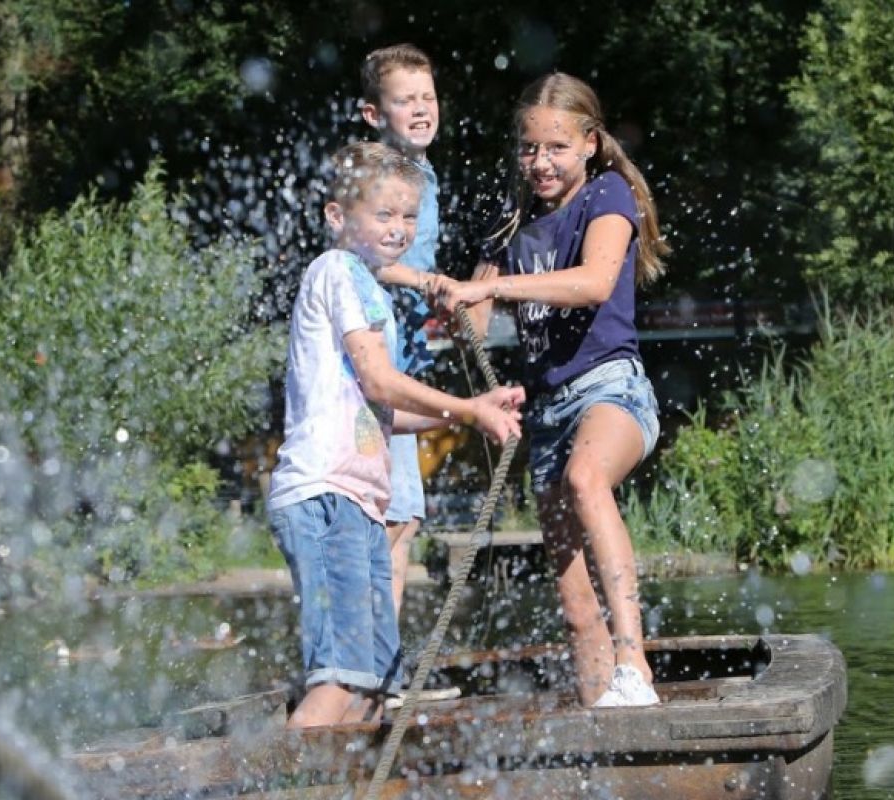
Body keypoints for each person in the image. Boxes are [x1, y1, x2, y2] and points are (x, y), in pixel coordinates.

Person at [429, 72, 670, 708]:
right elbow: (472, 330)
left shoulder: (608, 197)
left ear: (589, 143)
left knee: (587, 480)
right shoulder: (512, 225)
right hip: (547, 413)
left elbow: (593, 282)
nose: (541, 162)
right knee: (571, 601)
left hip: (611, 390)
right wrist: (456, 302)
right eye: (529, 148)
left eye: (556, 147)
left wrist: (495, 288)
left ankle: (634, 664)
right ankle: (602, 725)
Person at [268, 141, 524, 728]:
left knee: (370, 688)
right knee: (337, 683)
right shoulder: (337, 271)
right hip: (323, 496)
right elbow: (382, 383)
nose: (399, 228)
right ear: (338, 216)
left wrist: (469, 410)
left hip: (355, 502)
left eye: (409, 216)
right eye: (384, 214)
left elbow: (382, 412)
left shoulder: (366, 285)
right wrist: (468, 405)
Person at [357, 43, 441, 614]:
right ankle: (367, 667)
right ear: (373, 114)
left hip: (403, 362)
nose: (420, 108)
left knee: (401, 517)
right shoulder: (379, 175)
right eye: (404, 99)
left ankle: (377, 664)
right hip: (378, 372)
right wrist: (424, 281)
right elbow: (358, 257)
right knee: (390, 518)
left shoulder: (421, 172)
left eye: (428, 97)